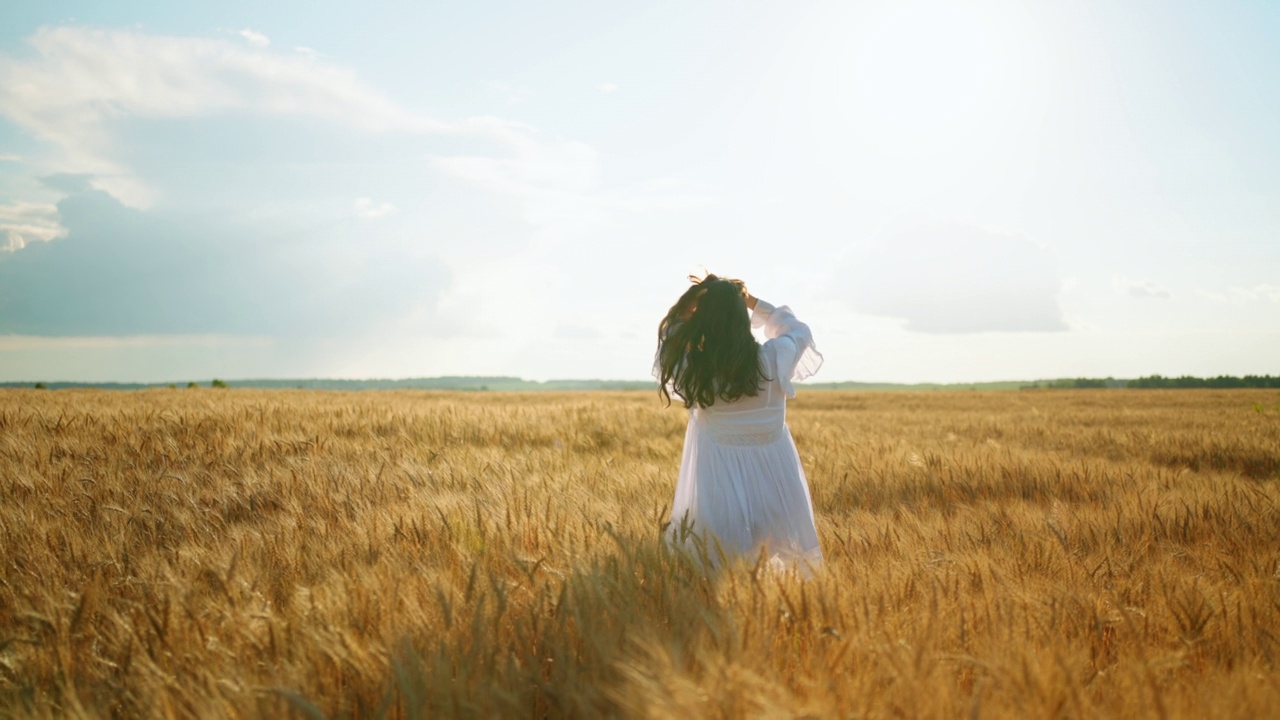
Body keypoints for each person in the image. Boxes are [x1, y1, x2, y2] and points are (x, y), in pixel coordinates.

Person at [655, 273, 823, 573]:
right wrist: (748, 300)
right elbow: (798, 330)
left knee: (719, 573)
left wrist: (689, 306)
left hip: (719, 483)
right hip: (778, 482)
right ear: (741, 318)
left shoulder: (696, 371)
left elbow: (669, 340)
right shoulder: (774, 359)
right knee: (784, 572)